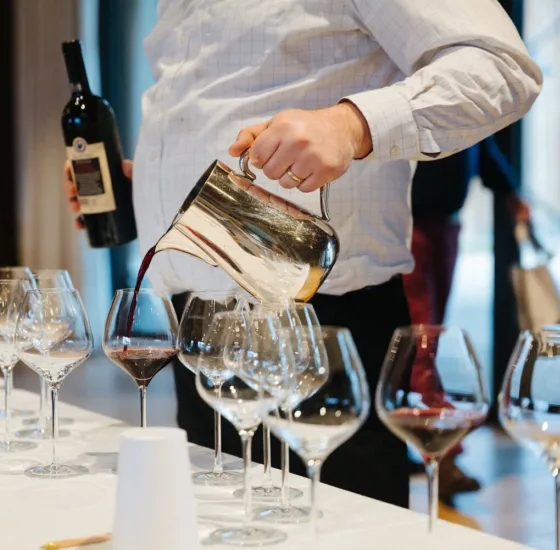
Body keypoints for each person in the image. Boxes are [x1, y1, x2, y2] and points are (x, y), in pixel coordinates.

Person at [64, 1, 541, 508]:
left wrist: (350, 126)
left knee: (336, 531)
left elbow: (502, 66)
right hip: (196, 330)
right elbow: (212, 103)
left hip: (315, 323)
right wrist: (154, 188)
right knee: (219, 528)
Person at [404, 137, 531, 499]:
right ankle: (443, 456)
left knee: (431, 340)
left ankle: (431, 450)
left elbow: (482, 142)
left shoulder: (458, 98)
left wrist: (510, 192)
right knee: (421, 345)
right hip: (407, 227)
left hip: (445, 225)